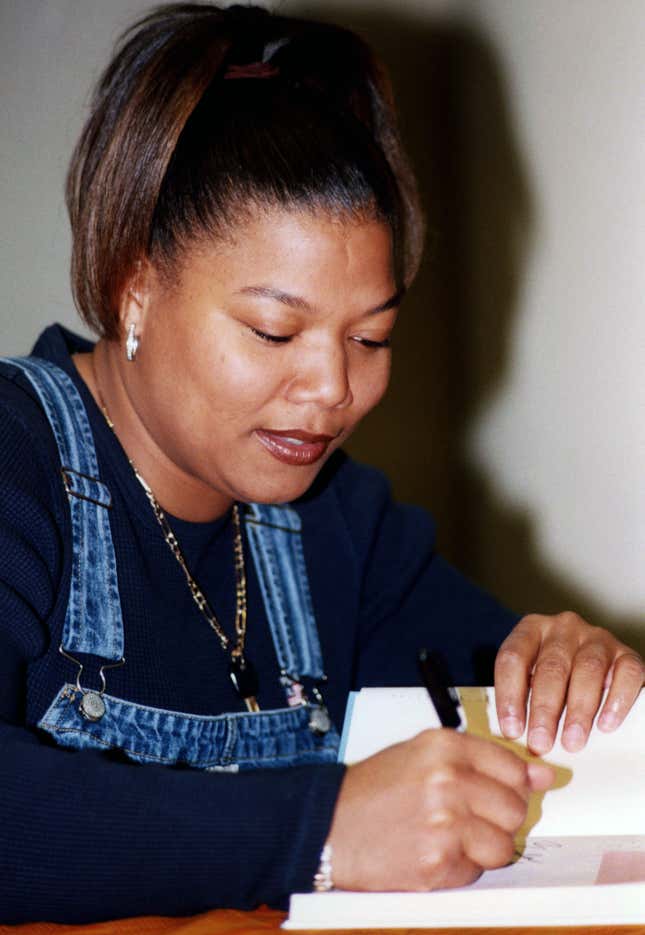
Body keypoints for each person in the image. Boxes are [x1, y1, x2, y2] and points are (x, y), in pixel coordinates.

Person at [0, 2, 642, 925]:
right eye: (275, 330)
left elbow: (505, 678)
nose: (332, 388)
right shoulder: (18, 458)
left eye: (371, 337)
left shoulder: (342, 525)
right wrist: (323, 830)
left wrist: (571, 674)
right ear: (132, 283)